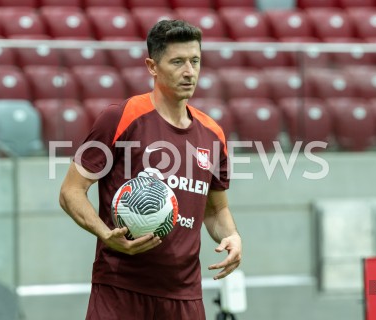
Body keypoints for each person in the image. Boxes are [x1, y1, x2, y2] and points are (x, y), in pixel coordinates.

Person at [59, 19, 242, 320]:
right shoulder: (120, 118)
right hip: (120, 290)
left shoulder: (213, 134)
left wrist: (232, 236)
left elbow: (214, 211)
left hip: (184, 297)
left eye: (195, 61)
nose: (189, 71)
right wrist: (106, 235)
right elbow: (70, 192)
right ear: (152, 66)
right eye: (178, 62)